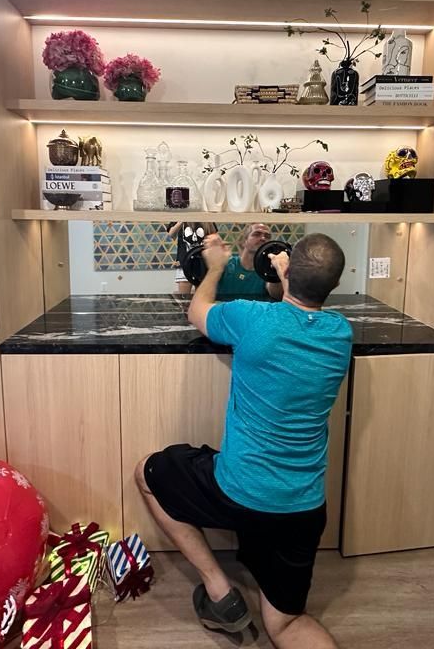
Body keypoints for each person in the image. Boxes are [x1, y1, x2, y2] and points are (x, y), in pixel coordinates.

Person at [135, 233, 352, 649]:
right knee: (286, 624)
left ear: (286, 269)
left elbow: (197, 312)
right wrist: (284, 279)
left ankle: (219, 591)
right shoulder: (340, 334)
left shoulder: (254, 319)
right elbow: (298, 309)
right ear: (334, 286)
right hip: (302, 510)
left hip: (238, 492)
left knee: (148, 471)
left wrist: (216, 265)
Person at [209, 222, 283, 299]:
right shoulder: (227, 265)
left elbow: (277, 294)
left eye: (267, 236)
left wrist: (276, 271)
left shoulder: (269, 270)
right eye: (257, 234)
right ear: (244, 241)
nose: (263, 238)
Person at [167, 221, 218, 295]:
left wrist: (207, 220)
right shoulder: (179, 218)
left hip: (202, 263)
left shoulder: (205, 220)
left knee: (201, 296)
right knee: (184, 298)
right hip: (184, 262)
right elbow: (171, 234)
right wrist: (181, 220)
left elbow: (214, 235)